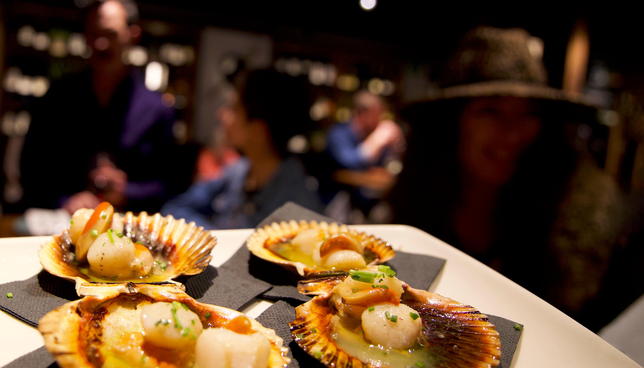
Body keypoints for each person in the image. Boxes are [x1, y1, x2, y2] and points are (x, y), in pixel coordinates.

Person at [388, 26, 624, 326]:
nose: (513, 134)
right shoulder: (417, 207)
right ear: (451, 125)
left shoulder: (574, 224)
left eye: (529, 113)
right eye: (490, 111)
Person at [19, 0, 178, 215]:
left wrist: (126, 191)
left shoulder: (157, 109)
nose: (101, 44)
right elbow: (31, 171)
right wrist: (67, 200)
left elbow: (170, 186)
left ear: (132, 35)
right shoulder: (57, 98)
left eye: (110, 34)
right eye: (94, 34)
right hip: (62, 227)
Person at [161, 68, 324, 229]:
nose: (221, 114)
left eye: (234, 109)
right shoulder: (237, 172)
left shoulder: (300, 207)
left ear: (257, 131)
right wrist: (215, 239)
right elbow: (174, 209)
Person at [323, 90, 404, 220]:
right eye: (377, 113)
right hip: (336, 201)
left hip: (367, 199)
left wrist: (397, 147)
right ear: (361, 113)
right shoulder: (338, 134)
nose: (381, 118)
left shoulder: (371, 134)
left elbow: (388, 167)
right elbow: (350, 164)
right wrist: (377, 140)